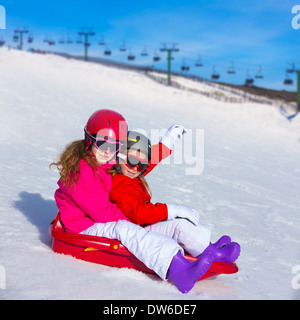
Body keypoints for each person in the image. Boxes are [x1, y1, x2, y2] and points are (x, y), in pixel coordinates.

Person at [50, 109, 214, 294]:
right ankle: (177, 269)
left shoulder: (103, 162)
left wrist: (166, 145)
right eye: (102, 143)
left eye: (114, 146)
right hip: (82, 225)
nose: (107, 152)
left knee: (140, 227)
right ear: (89, 139)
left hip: (93, 219)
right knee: (123, 229)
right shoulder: (84, 171)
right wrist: (133, 223)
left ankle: (210, 251)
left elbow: (136, 162)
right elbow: (102, 212)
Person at [110, 127, 241, 263]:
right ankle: (211, 253)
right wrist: (171, 210)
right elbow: (138, 213)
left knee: (180, 221)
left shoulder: (129, 173)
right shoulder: (120, 184)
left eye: (142, 165)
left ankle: (207, 246)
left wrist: (168, 140)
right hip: (136, 231)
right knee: (179, 227)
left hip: (143, 225)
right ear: (120, 156)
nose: (135, 168)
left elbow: (153, 158)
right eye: (131, 161)